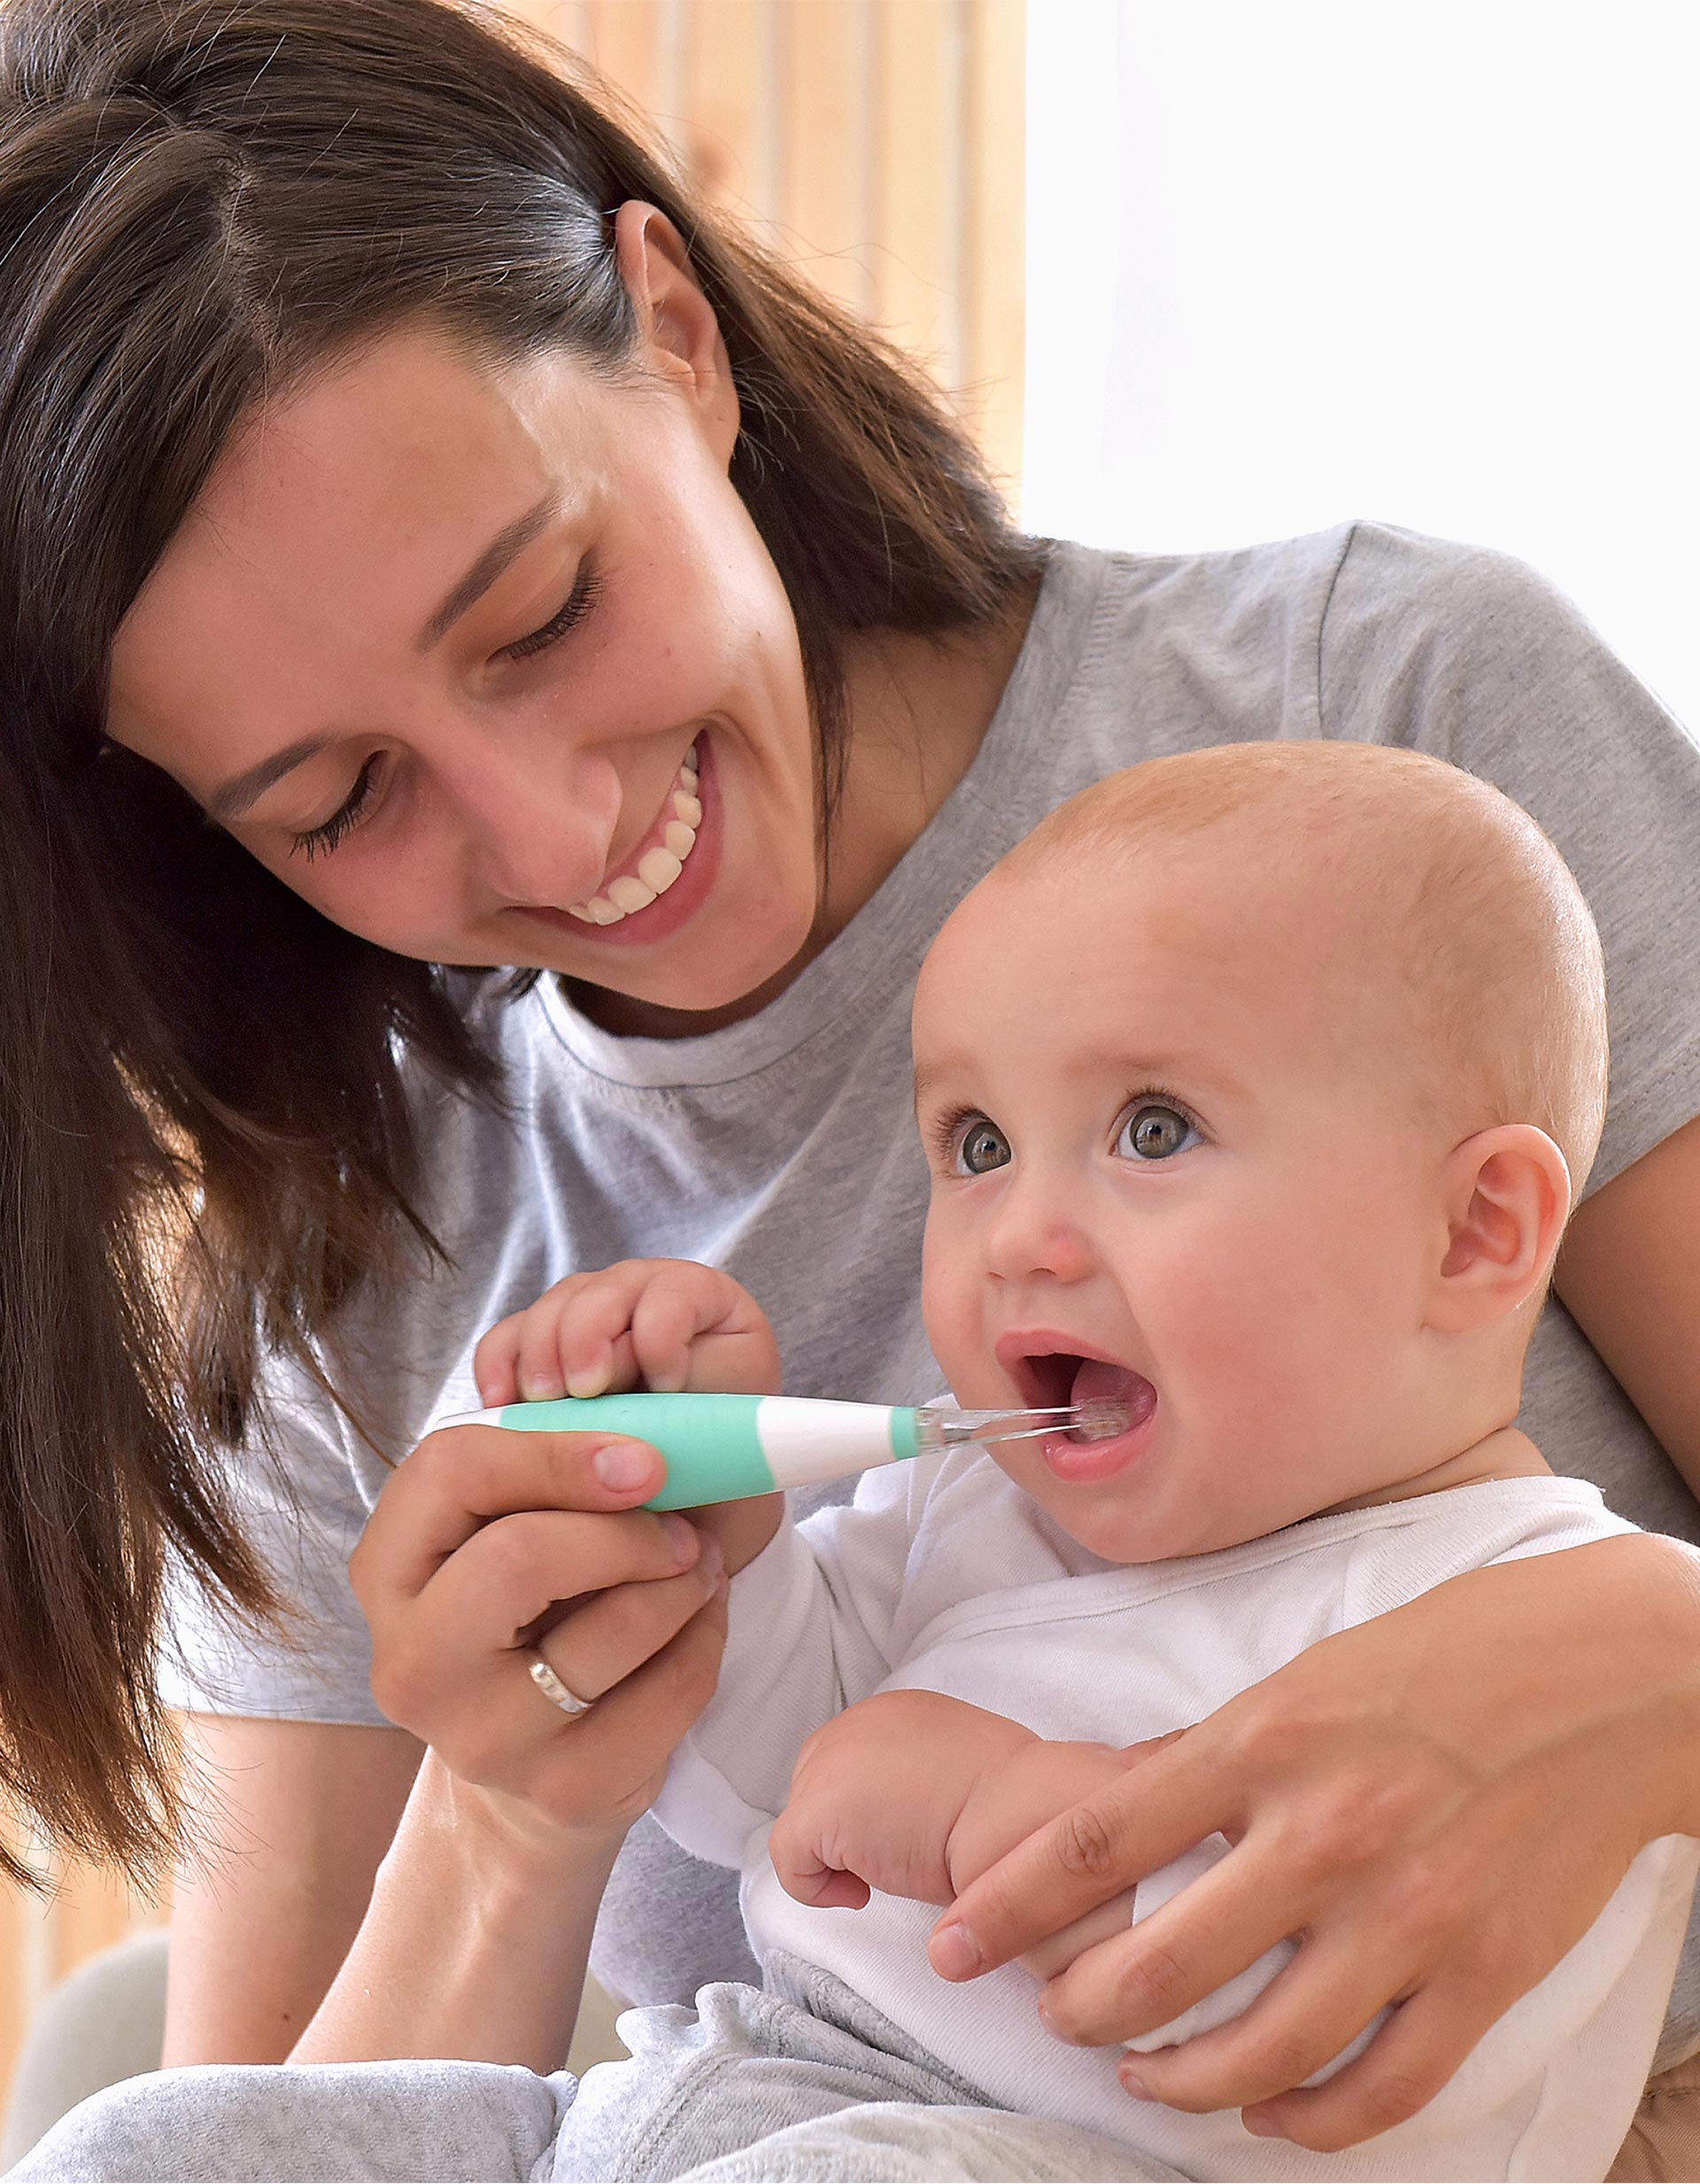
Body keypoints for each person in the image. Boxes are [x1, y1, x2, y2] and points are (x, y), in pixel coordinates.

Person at [0, 0, 1697, 2174]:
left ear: (679, 337)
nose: (544, 833)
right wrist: (521, 1803)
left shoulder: (1395, 730)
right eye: (341, 801)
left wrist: (1653, 1659)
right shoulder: (357, 1258)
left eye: (541, 613)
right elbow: (274, 2126)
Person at [16, 744, 1698, 2184]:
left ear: (1476, 1234)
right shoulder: (984, 1507)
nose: (1019, 1236)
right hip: (698, 2107)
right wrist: (704, 1555)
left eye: (1154, 1130)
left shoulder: (1541, 1623)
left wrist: (973, 1804)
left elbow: (1344, 2046)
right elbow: (767, 1782)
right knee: (153, 2142)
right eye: (975, 1144)